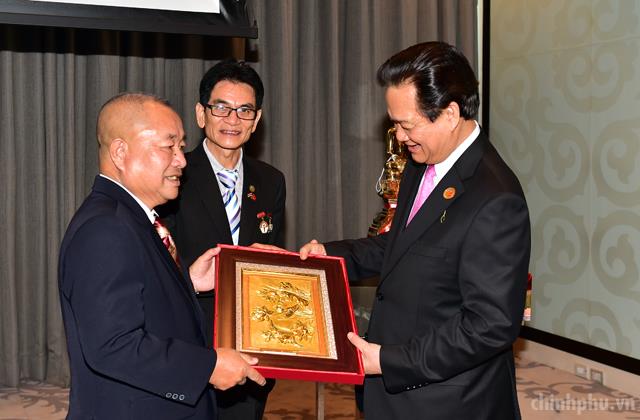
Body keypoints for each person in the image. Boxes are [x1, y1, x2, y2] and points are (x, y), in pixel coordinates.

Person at [299, 42, 531, 419]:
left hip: (447, 402)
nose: (399, 136)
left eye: (406, 125)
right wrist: (331, 255)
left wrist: (388, 361)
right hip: (396, 392)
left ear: (450, 114)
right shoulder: (422, 163)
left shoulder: (495, 198)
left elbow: (489, 326)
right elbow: (402, 247)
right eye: (394, 123)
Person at [58, 92, 266, 420]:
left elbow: (138, 299)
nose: (181, 160)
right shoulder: (105, 229)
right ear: (120, 152)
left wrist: (188, 283)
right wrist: (208, 367)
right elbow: (114, 346)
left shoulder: (133, 217)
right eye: (168, 146)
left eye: (181, 147)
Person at [160, 59, 285, 419]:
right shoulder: (175, 172)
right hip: (190, 335)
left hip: (251, 341)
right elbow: (159, 260)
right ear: (201, 114)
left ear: (256, 120)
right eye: (221, 108)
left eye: (245, 110)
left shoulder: (271, 180)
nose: (233, 119)